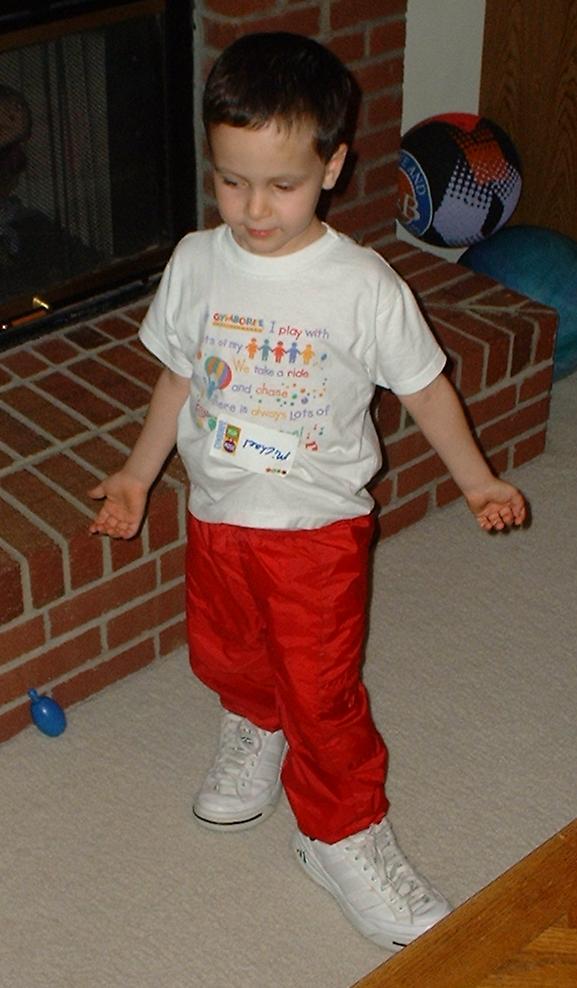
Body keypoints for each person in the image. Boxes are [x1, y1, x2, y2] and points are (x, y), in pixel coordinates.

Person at [88, 32, 526, 953]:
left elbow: (425, 390)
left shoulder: (360, 286)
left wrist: (478, 479)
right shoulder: (197, 262)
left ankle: (339, 835)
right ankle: (254, 724)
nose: (253, 209)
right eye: (231, 180)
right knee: (229, 655)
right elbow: (178, 378)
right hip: (217, 518)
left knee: (323, 697)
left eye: (280, 185)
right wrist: (135, 472)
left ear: (332, 167)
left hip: (316, 533)